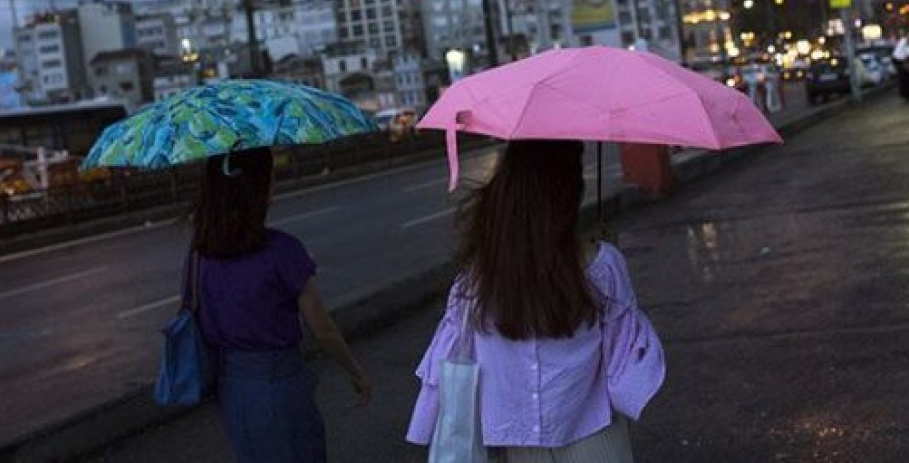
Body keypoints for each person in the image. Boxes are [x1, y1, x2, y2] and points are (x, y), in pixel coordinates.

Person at [407, 140, 665, 461]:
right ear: (569, 193)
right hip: (594, 434)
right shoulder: (602, 266)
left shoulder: (477, 280)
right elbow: (624, 366)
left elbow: (453, 356)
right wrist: (605, 253)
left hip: (519, 442)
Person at [190, 146, 371, 463]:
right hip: (278, 384)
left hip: (231, 388)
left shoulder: (200, 252)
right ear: (259, 188)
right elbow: (322, 329)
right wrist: (355, 371)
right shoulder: (282, 251)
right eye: (271, 177)